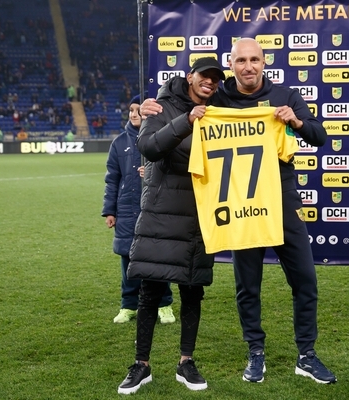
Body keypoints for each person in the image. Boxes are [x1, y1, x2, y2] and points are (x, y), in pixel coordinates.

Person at [140, 38, 336, 385]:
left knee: (305, 280)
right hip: (240, 204)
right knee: (248, 285)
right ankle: (255, 352)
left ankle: (307, 354)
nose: (248, 66)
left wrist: (296, 122)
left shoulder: (285, 96)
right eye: (241, 61)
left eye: (254, 60)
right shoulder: (220, 97)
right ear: (231, 66)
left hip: (282, 201)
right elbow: (186, 94)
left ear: (264, 62)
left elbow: (319, 136)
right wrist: (153, 103)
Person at [116, 57, 224, 395]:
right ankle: (141, 364)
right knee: (150, 289)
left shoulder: (221, 109)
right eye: (205, 75)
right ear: (190, 76)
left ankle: (186, 362)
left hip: (199, 214)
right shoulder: (160, 106)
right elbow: (149, 147)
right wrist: (186, 120)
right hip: (162, 212)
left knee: (193, 289)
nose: (210, 82)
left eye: (216, 79)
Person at [102, 94, 175, 326]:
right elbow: (112, 179)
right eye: (131, 110)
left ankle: (164, 304)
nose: (134, 114)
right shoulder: (119, 143)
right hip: (126, 210)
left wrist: (154, 170)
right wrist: (110, 210)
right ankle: (128, 305)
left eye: (138, 110)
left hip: (156, 209)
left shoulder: (161, 138)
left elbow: (174, 170)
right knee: (128, 258)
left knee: (158, 258)